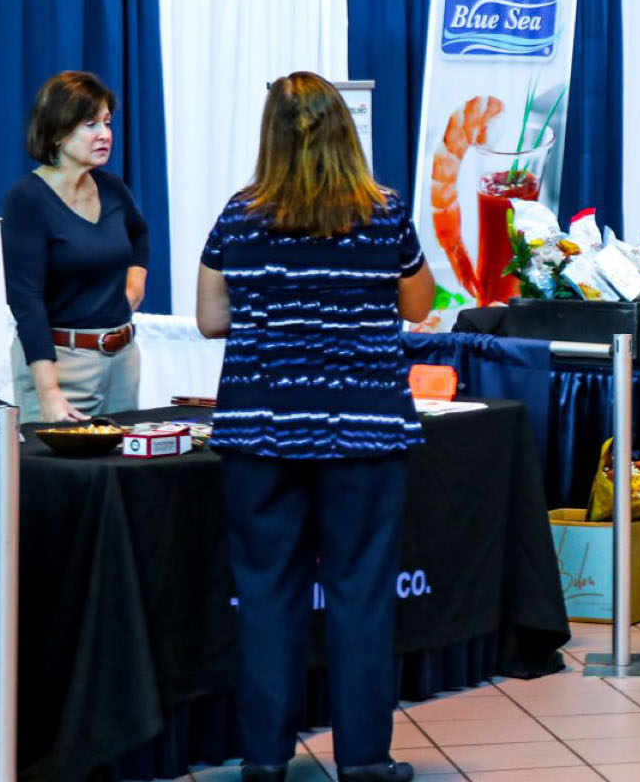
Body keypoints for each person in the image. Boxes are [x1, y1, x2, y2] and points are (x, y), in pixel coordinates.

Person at [193, 71, 437, 782]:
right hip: (364, 430)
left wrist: (280, 307)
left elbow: (211, 318)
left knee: (267, 595)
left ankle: (265, 759)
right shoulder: (385, 213)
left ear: (271, 135)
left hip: (260, 431)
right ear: (346, 131)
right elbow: (419, 305)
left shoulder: (239, 216)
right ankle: (364, 761)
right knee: (362, 595)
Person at [3, 71, 149, 423]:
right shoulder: (28, 199)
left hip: (122, 358)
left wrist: (134, 286)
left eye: (107, 123)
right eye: (90, 124)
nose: (105, 135)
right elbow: (26, 302)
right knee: (59, 473)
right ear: (57, 131)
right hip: (62, 365)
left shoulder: (111, 187)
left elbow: (139, 236)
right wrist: (49, 392)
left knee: (121, 473)